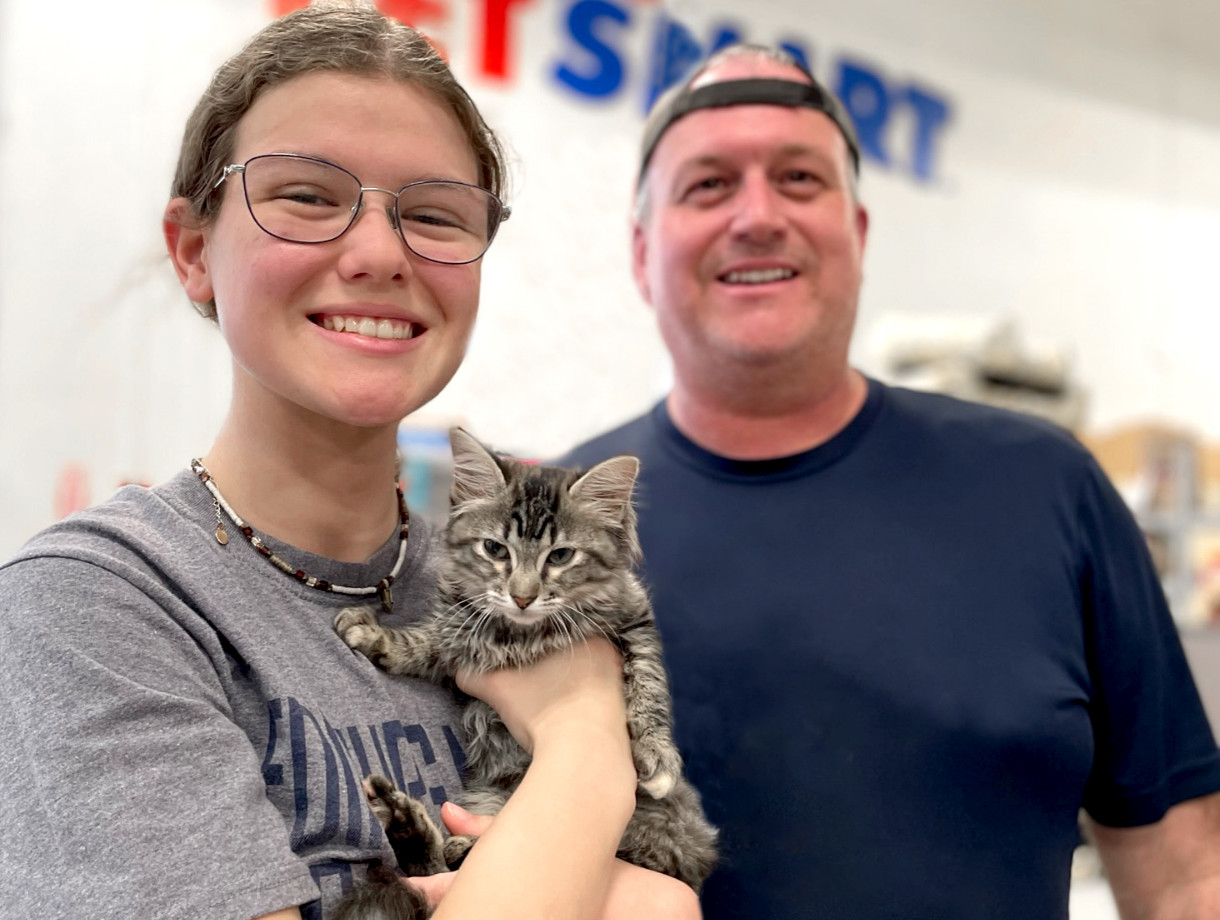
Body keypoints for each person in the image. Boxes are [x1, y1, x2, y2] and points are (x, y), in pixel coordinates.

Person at [0, 6, 699, 920]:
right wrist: (582, 751)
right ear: (193, 249)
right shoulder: (94, 608)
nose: (378, 253)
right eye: (306, 196)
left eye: (435, 213)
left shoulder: (509, 587)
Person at [559, 42, 1220, 919]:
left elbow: (1183, 878)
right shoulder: (556, 537)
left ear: (858, 235)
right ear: (643, 254)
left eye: (799, 179)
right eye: (708, 185)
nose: (757, 216)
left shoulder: (1048, 489)